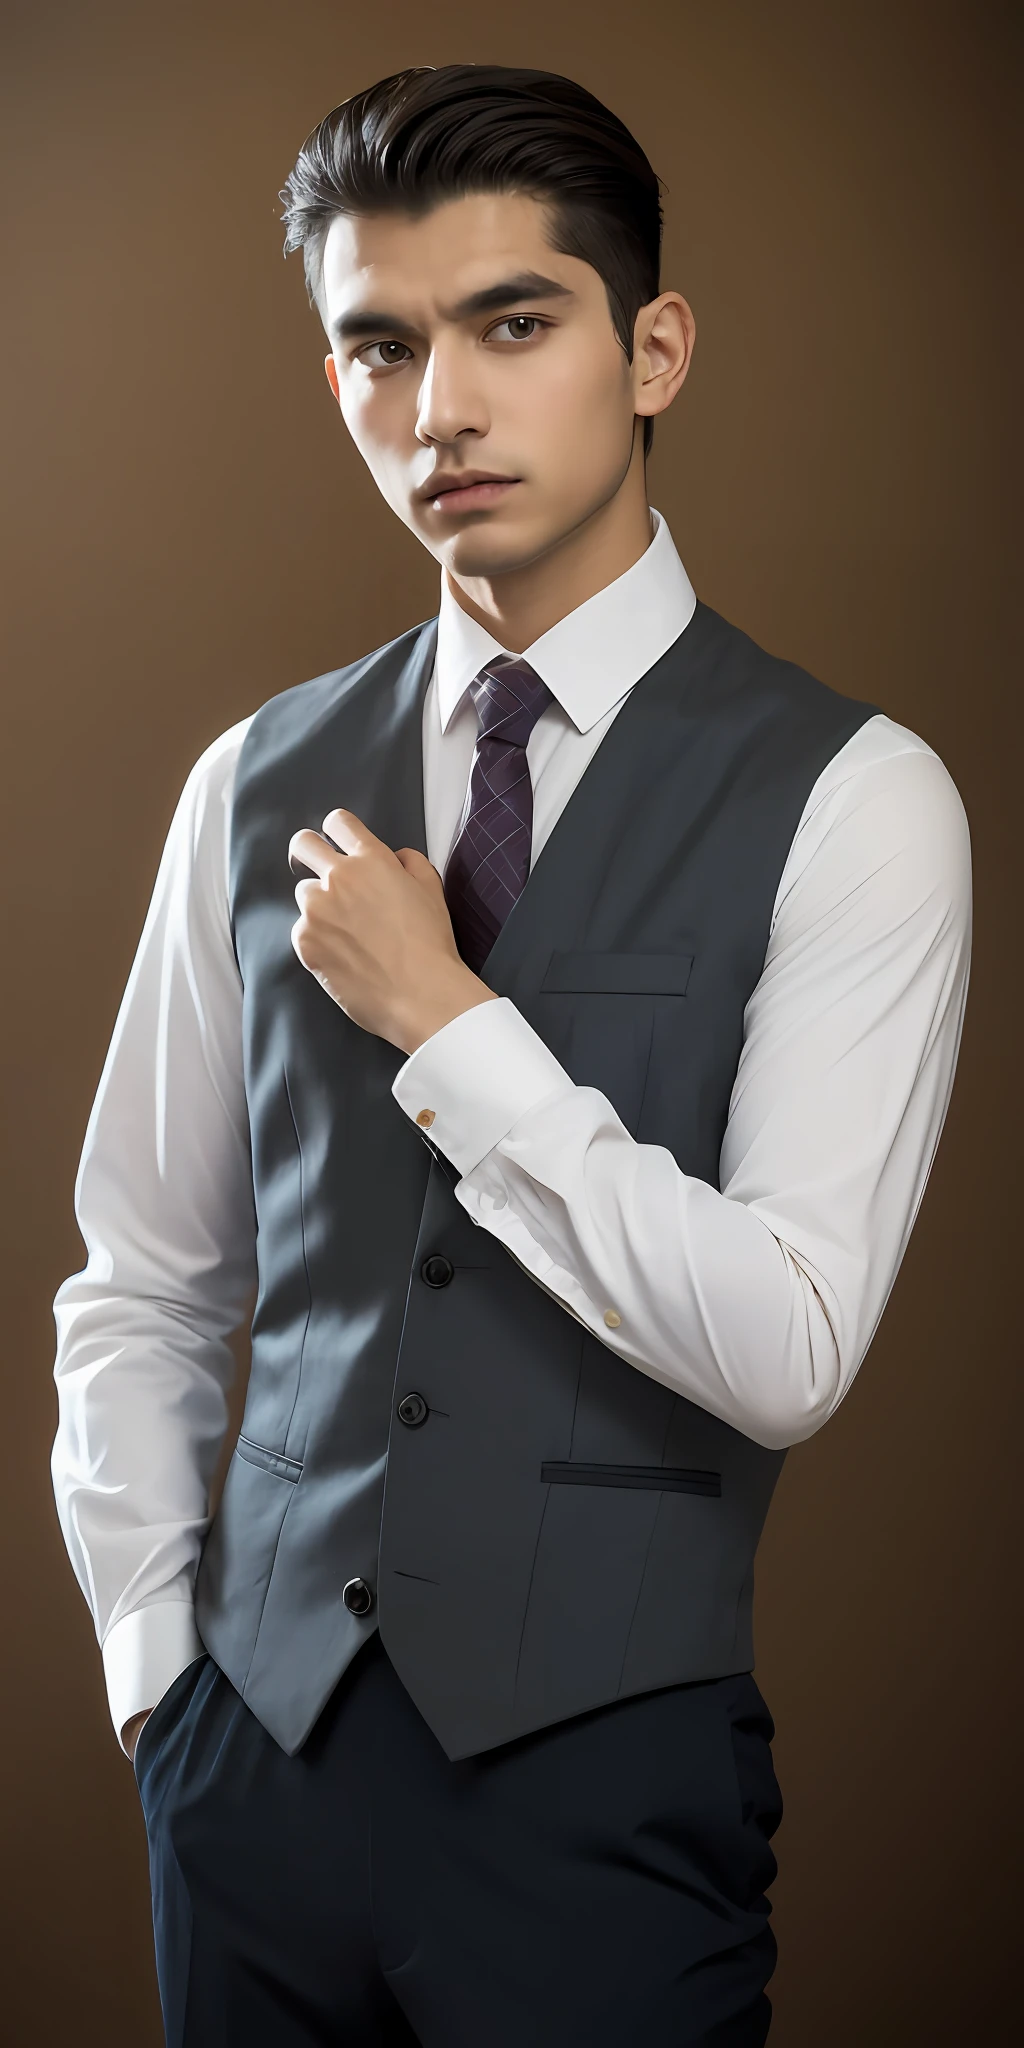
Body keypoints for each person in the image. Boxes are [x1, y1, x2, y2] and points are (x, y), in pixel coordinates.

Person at [50, 61, 972, 2048]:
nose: (439, 407)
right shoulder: (245, 780)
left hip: (599, 1814)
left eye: (511, 325)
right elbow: (140, 1278)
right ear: (333, 383)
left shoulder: (856, 798)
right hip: (248, 1783)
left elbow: (786, 1342)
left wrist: (453, 1026)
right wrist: (156, 1671)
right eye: (379, 348)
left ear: (649, 350)